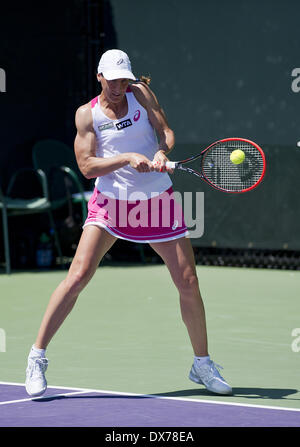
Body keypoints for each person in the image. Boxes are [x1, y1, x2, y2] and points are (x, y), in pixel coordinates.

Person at [25, 49, 232, 397]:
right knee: (77, 277)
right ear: (99, 77)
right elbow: (88, 167)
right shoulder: (86, 115)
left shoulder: (141, 94)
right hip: (111, 204)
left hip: (156, 200)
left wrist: (161, 152)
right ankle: (37, 357)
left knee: (187, 280)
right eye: (113, 79)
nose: (119, 86)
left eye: (124, 78)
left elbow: (165, 131)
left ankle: (202, 364)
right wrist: (125, 158)